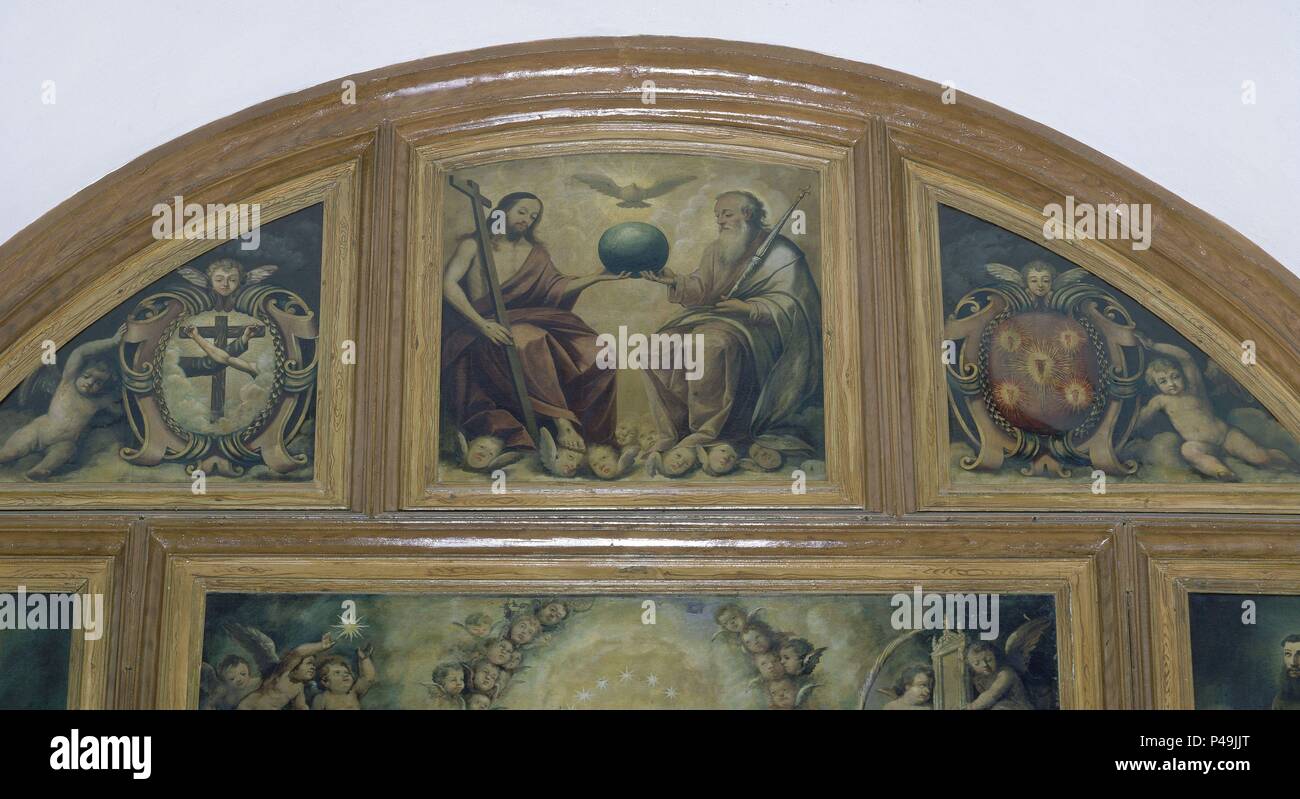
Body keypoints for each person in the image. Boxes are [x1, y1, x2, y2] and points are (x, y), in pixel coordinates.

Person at [642, 190, 821, 458]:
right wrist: (675, 282)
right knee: (655, 348)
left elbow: (795, 305)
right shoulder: (716, 250)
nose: (720, 221)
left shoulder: (783, 252)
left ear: (747, 215)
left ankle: (707, 432)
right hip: (715, 318)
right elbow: (702, 289)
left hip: (761, 331)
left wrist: (750, 309)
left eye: (726, 214)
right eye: (718, 216)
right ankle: (675, 431)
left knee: (708, 344)